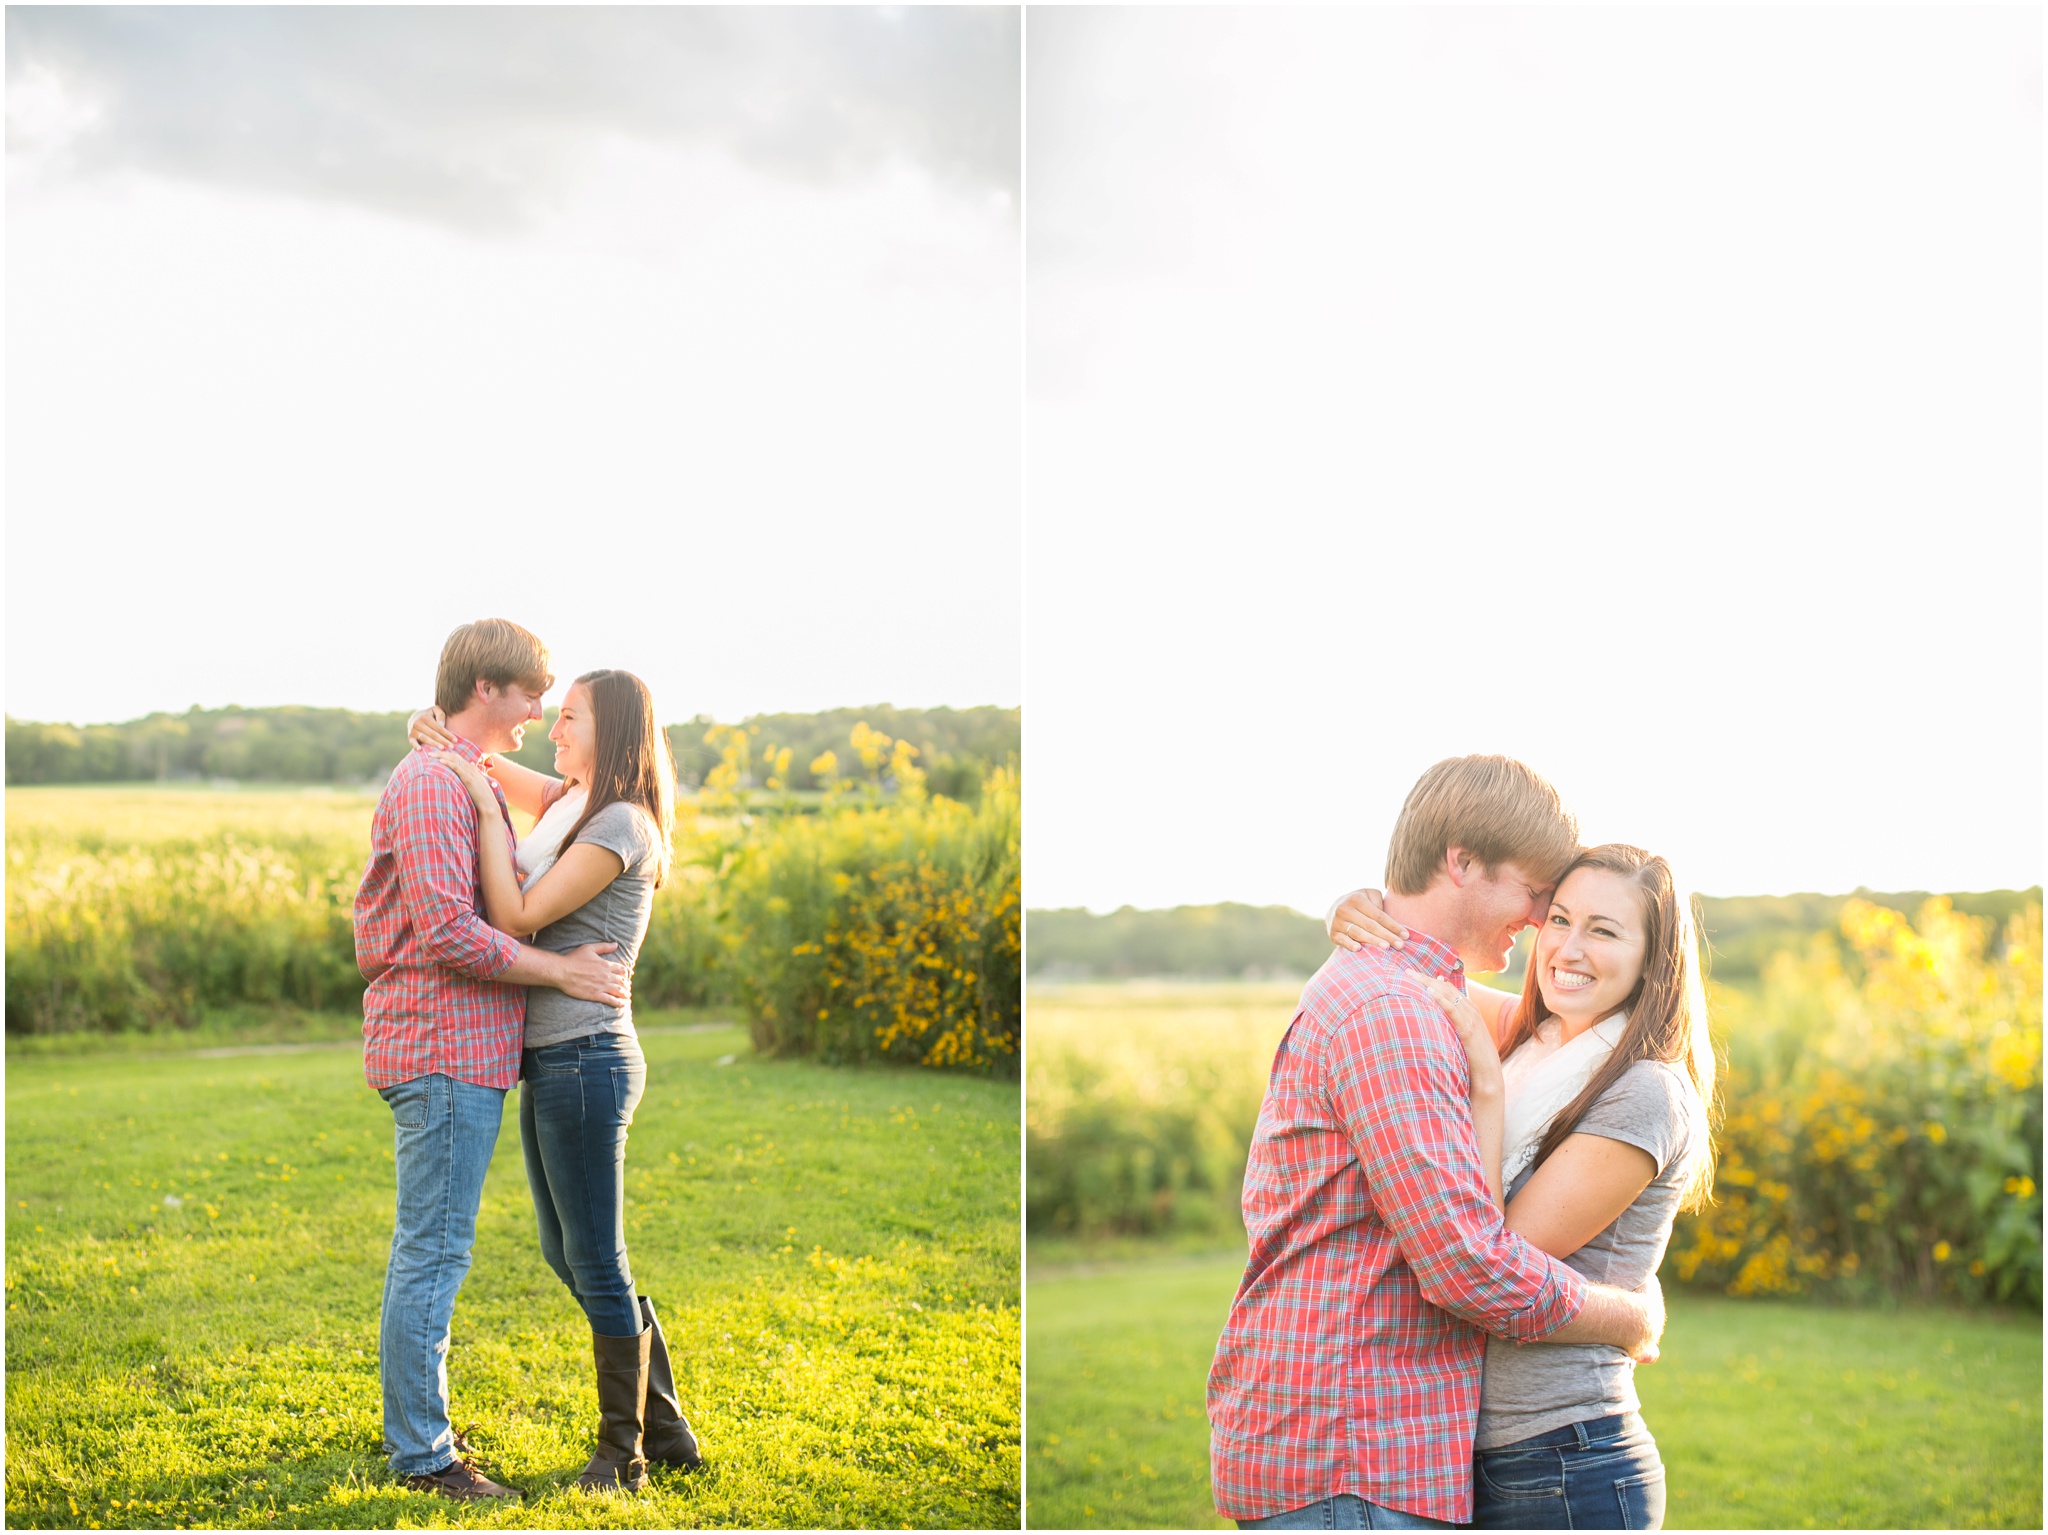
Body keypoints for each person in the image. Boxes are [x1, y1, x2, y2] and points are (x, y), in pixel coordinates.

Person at [1208, 755, 1668, 1531]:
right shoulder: (1395, 1011)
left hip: (1360, 1449)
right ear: (1460, 860)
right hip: (1353, 1450)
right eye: (1538, 897)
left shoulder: (1419, 993)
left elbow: (1549, 1012)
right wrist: (1628, 1316)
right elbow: (1468, 1265)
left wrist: (1359, 905)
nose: (1537, 922)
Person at [1326, 844, 1715, 1531]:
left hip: (1566, 1450)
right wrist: (1359, 907)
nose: (1568, 946)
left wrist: (1484, 1083)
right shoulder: (1537, 1038)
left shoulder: (1643, 1087)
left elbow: (1495, 1254)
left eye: (1603, 929)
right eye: (1559, 918)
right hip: (1488, 1452)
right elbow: (1407, 965)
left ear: (1655, 956)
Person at [355, 618, 634, 1503]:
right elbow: (447, 932)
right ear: (488, 690)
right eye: (531, 696)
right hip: (442, 1046)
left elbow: (561, 793)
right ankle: (424, 1454)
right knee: (434, 1251)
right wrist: (559, 968)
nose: (539, 713)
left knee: (441, 1248)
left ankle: (423, 1429)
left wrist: (463, 757)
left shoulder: (462, 773)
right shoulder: (438, 785)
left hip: (467, 1051)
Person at [411, 666, 702, 1493]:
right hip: (558, 1060)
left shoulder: (620, 823)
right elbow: (499, 765)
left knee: (598, 1258)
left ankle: (624, 1452)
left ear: (610, 729)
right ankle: (667, 1425)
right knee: (565, 1250)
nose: (552, 726)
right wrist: (439, 735)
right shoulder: (576, 800)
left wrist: (469, 782)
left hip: (588, 1058)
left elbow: (514, 916)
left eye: (568, 715)